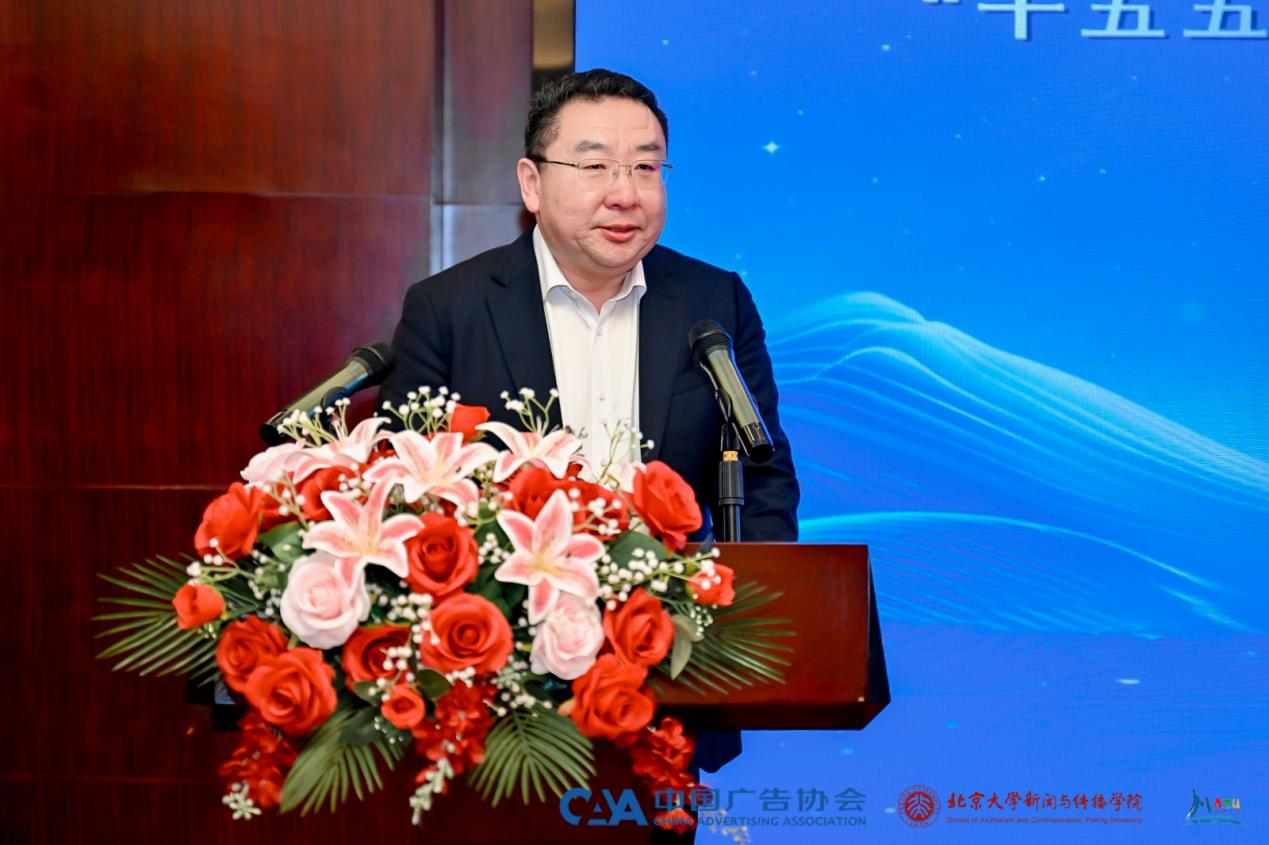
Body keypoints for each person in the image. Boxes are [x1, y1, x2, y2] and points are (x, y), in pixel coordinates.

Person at [380, 68, 799, 543]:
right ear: (532, 184)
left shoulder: (716, 301)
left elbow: (762, 483)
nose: (625, 195)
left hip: (676, 588)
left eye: (645, 168)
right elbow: (403, 488)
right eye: (595, 167)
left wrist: (758, 589)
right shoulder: (448, 310)